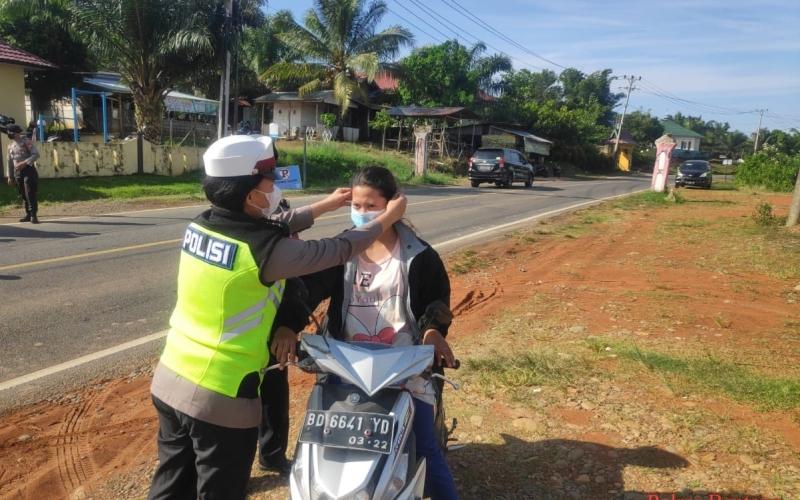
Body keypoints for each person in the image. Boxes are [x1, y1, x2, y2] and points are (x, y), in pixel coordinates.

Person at [146, 136, 407, 500]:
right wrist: (385, 219)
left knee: (170, 485)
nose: (277, 187)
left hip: (171, 377)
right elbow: (339, 248)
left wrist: (325, 206)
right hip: (221, 394)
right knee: (219, 491)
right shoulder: (265, 253)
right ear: (251, 196)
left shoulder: (203, 224)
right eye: (270, 180)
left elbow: (277, 225)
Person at [277, 165, 459, 500]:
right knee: (317, 443)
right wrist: (288, 324)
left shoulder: (419, 256)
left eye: (371, 206)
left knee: (425, 448)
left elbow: (436, 299)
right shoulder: (342, 251)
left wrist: (433, 331)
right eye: (356, 206)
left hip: (404, 367)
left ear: (393, 206)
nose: (362, 213)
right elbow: (308, 288)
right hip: (346, 365)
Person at [6, 124, 40, 223]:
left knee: (30, 193)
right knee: (23, 194)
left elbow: (36, 154)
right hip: (18, 173)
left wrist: (24, 163)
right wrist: (10, 176)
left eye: (10, 132)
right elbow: (9, 162)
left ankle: (33, 215)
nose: (8, 134)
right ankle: (28, 215)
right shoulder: (10, 146)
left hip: (28, 170)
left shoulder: (26, 142)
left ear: (17, 133)